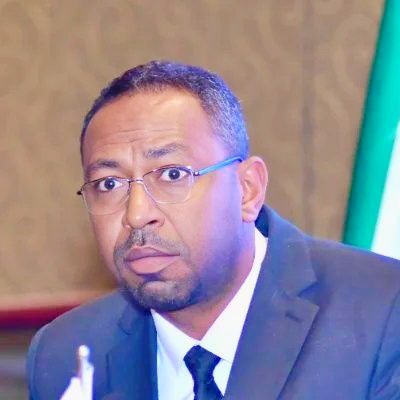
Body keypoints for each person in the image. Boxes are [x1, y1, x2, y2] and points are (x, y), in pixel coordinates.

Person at [27, 61, 400, 400]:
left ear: (247, 190)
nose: (136, 215)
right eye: (108, 184)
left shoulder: (381, 311)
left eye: (172, 174)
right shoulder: (63, 353)